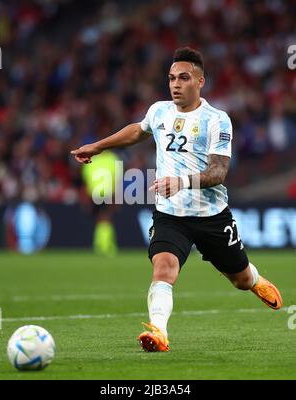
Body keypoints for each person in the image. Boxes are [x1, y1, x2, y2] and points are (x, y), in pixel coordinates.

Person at [71, 47, 283, 352]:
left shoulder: (217, 120)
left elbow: (219, 172)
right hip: (170, 215)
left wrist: (181, 181)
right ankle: (158, 331)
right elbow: (137, 131)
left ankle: (255, 279)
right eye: (171, 78)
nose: (175, 84)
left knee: (239, 278)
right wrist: (99, 146)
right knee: (164, 268)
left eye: (183, 78)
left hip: (211, 215)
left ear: (200, 81)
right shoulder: (159, 111)